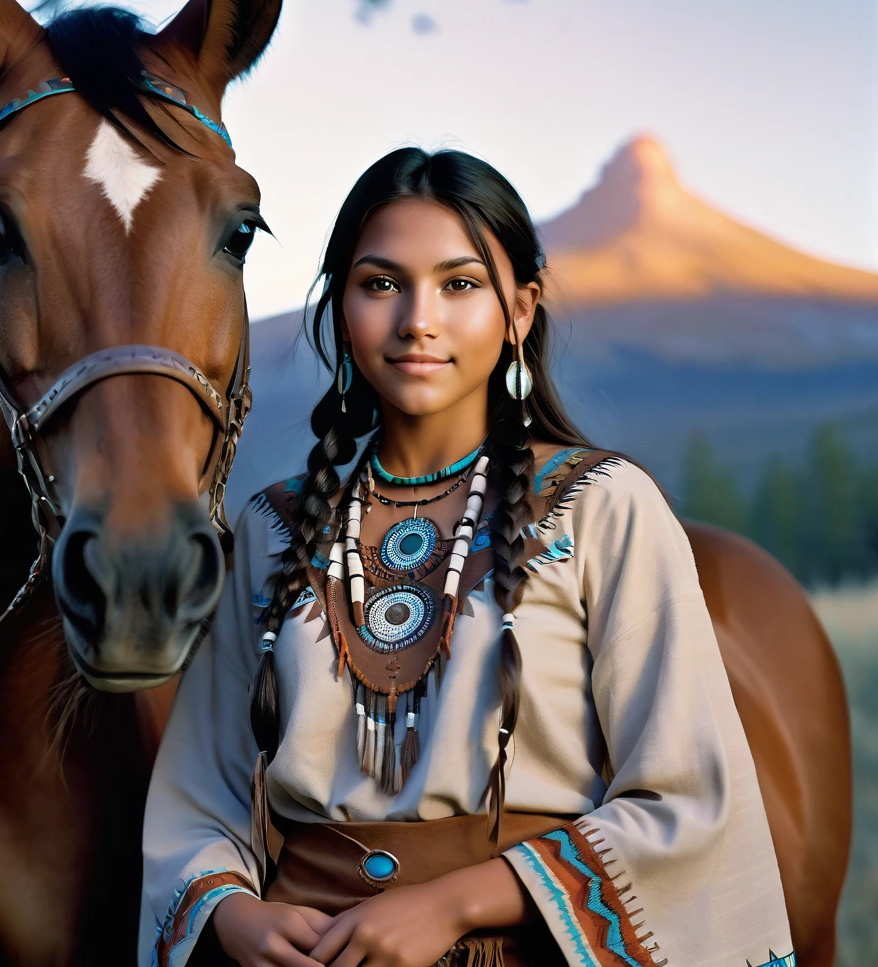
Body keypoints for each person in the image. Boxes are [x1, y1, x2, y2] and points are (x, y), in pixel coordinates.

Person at [139, 149, 793, 967]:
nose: (418, 318)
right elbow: (199, 799)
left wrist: (452, 904)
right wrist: (235, 913)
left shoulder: (604, 507)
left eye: (460, 284)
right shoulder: (273, 528)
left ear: (520, 309)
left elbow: (686, 799)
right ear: (342, 307)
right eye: (380, 284)